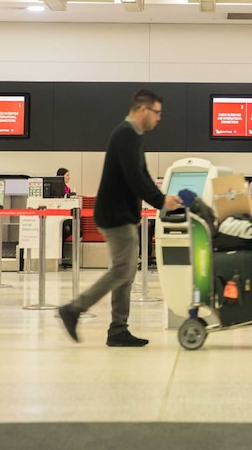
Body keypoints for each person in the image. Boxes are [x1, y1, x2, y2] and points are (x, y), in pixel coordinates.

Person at [58, 89, 182, 347]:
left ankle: (117, 330)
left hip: (122, 213)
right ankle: (74, 309)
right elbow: (135, 178)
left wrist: (161, 199)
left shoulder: (133, 136)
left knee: (126, 273)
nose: (159, 118)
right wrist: (161, 201)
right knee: (122, 270)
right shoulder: (126, 134)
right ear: (142, 110)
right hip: (116, 214)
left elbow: (142, 174)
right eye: (156, 112)